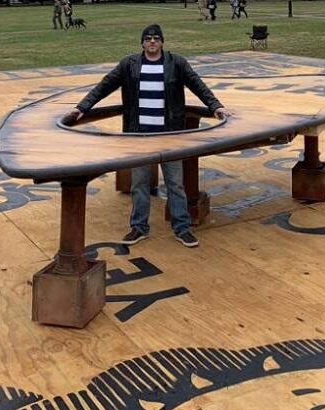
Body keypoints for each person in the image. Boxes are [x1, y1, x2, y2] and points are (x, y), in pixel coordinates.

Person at [62, 24, 231, 248]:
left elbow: (198, 85)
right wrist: (82, 107)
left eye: (156, 39)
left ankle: (182, 227)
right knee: (139, 184)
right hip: (139, 136)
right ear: (142, 43)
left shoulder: (176, 62)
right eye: (148, 39)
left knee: (175, 184)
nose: (152, 42)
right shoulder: (129, 64)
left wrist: (215, 106)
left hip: (170, 134)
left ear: (162, 42)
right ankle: (139, 227)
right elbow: (104, 86)